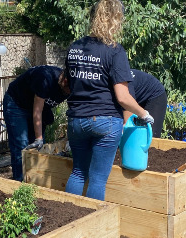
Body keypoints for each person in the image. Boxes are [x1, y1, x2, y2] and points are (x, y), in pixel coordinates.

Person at [64, 0, 154, 201]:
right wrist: (144, 114)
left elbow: (67, 83)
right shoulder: (114, 50)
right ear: (115, 19)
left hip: (76, 120)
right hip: (105, 121)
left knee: (78, 173)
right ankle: (93, 227)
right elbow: (122, 97)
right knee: (97, 180)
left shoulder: (75, 47)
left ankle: (71, 222)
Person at [2, 65, 69, 182]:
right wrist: (39, 138)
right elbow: (37, 111)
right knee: (21, 146)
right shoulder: (45, 77)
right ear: (65, 81)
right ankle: (20, 185)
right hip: (16, 104)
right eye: (70, 90)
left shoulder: (73, 86)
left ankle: (33, 182)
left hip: (37, 108)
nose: (70, 93)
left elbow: (74, 112)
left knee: (35, 149)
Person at [124, 69, 167, 138]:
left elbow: (127, 104)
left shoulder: (123, 81)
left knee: (150, 135)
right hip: (136, 95)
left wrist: (125, 129)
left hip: (154, 95)